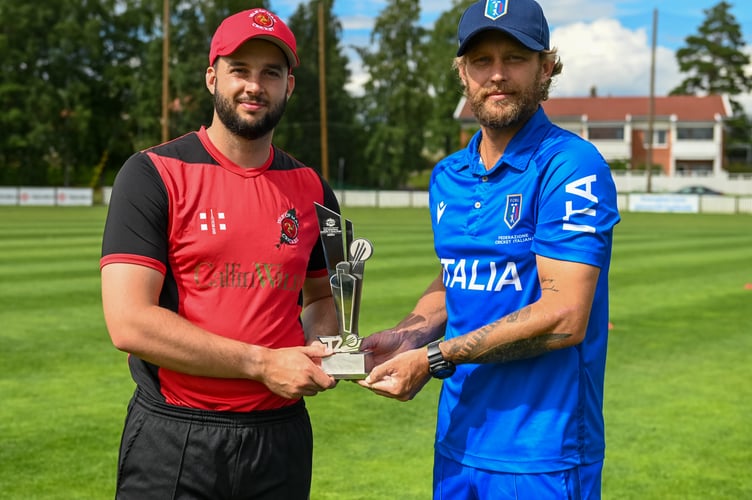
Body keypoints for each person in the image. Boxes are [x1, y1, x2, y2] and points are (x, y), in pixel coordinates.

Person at [359, 0, 621, 498]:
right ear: (462, 72)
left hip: (542, 453)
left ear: (545, 68)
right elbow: (456, 276)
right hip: (458, 441)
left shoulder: (571, 165)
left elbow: (565, 316)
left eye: (515, 58)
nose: (497, 75)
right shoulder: (448, 176)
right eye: (481, 60)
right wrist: (409, 336)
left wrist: (434, 358)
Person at [100, 8, 339, 499]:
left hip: (280, 437)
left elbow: (320, 298)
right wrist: (262, 364)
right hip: (176, 436)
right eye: (240, 71)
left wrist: (328, 348)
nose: (255, 86)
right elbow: (129, 322)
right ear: (213, 77)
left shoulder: (313, 188)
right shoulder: (152, 174)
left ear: (289, 85)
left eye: (271, 73)